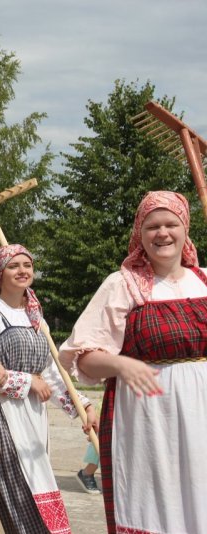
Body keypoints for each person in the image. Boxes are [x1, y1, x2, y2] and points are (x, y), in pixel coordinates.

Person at [60, 191, 206, 533]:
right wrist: (121, 365)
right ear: (140, 234)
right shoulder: (122, 285)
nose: (163, 233)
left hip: (201, 414)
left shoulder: (204, 279)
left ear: (185, 229)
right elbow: (83, 357)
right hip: (149, 419)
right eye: (152, 226)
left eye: (171, 224)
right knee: (158, 503)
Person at [0, 244, 97, 533]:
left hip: (34, 417)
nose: (22, 270)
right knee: (16, 490)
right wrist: (27, 382)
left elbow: (51, 374)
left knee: (39, 484)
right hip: (0, 416)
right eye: (13, 266)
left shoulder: (36, 317)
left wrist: (83, 406)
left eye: (27, 265)